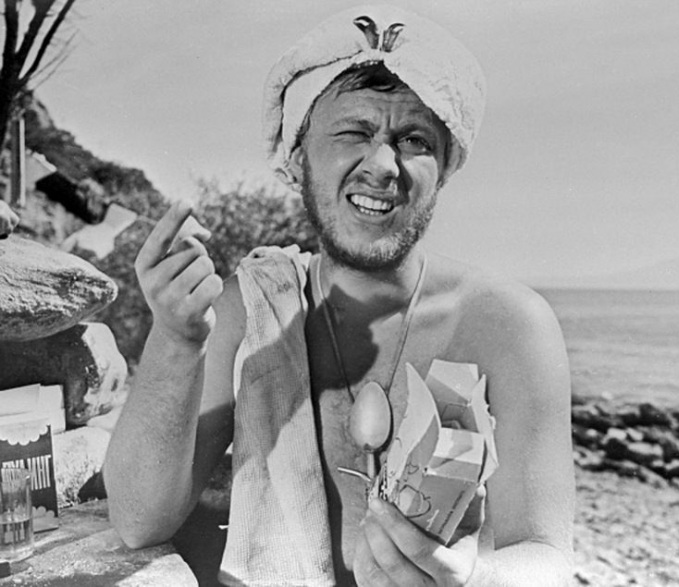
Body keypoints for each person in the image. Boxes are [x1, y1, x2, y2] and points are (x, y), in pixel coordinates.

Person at [105, 5, 575, 586]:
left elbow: (547, 554)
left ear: (445, 166)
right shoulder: (251, 312)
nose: (383, 164)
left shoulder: (509, 326)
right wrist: (175, 341)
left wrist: (471, 581)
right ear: (298, 156)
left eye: (414, 139)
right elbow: (138, 521)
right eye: (354, 132)